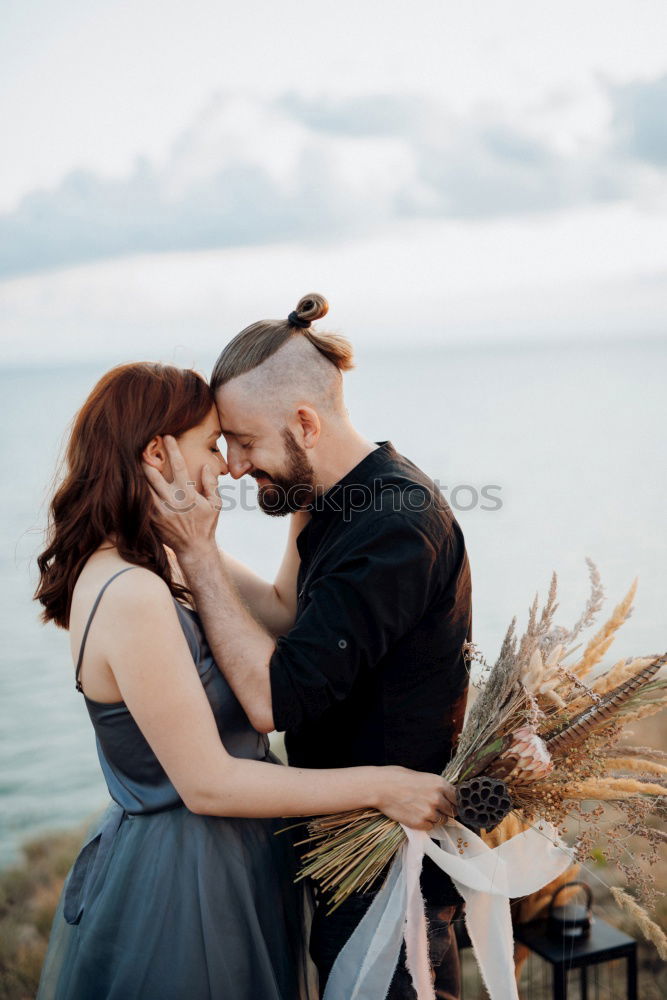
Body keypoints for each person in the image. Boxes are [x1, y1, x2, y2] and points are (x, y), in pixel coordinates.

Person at [33, 361, 458, 1000]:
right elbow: (207, 783)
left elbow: (281, 612)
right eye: (211, 445)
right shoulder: (131, 592)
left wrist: (305, 488)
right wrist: (384, 787)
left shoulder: (163, 552)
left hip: (231, 857)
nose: (227, 467)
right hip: (187, 880)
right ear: (158, 453)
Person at [144, 294, 473, 999]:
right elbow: (284, 613)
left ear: (303, 422)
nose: (231, 467)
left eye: (241, 440)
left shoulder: (394, 527)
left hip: (390, 868)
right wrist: (170, 543)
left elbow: (269, 700)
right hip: (345, 850)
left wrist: (200, 557)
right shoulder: (333, 500)